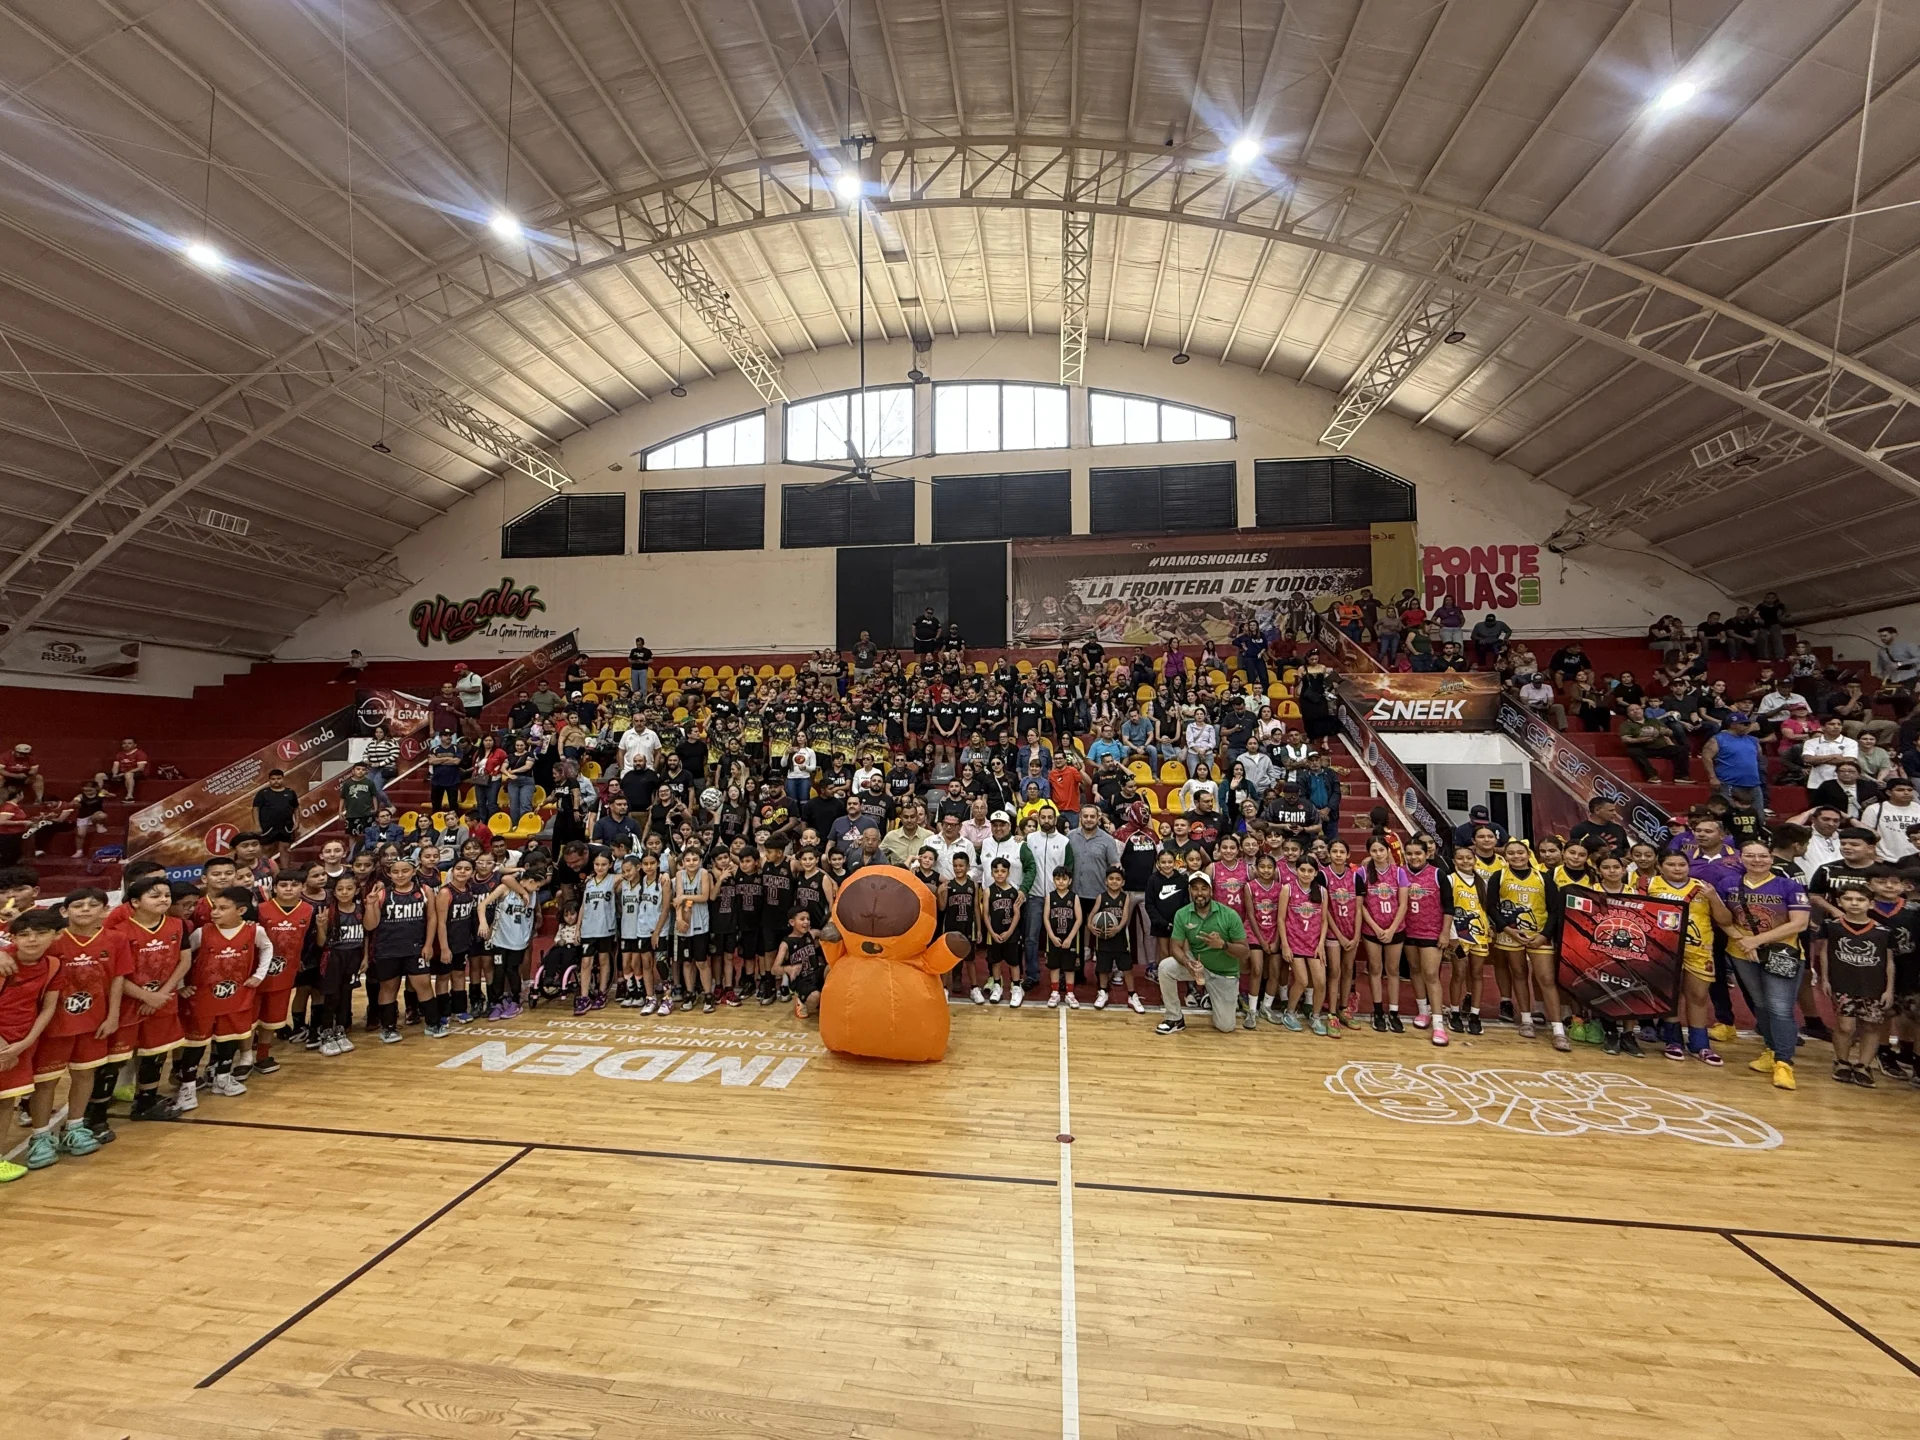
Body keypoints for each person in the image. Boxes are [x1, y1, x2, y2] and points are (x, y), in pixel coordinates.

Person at [1720, 840, 1812, 1090]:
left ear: (1771, 859)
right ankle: (1771, 1051)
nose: (1757, 860)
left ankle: (1784, 1063)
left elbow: (1799, 923)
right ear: (1741, 858)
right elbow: (1721, 917)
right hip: (1742, 953)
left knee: (1780, 1008)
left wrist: (1757, 941)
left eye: (1762, 856)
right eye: (1750, 855)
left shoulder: (1789, 886)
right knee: (1759, 1003)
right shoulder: (1728, 884)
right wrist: (1742, 941)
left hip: (1783, 953)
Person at [1815, 886, 1896, 1087]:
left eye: (1860, 900)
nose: (1854, 903)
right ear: (1839, 902)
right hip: (1843, 984)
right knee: (1845, 1026)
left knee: (1871, 1026)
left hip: (1874, 986)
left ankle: (1863, 1065)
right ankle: (1842, 1061)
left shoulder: (1883, 931)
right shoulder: (1832, 926)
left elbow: (1889, 962)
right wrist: (1825, 979)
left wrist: (1889, 989)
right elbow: (1824, 953)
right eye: (1848, 899)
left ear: (1871, 904)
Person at [1156, 872, 1247, 1035]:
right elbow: (1175, 947)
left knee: (1226, 1027)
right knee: (1165, 967)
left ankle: (1213, 997)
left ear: (1211, 891)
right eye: (1195, 888)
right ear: (1190, 891)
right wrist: (1187, 963)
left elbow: (1244, 952)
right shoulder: (1182, 914)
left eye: (1204, 888)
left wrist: (1223, 945)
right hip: (1197, 967)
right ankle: (1174, 1018)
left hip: (1224, 973)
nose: (1199, 893)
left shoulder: (1229, 915)